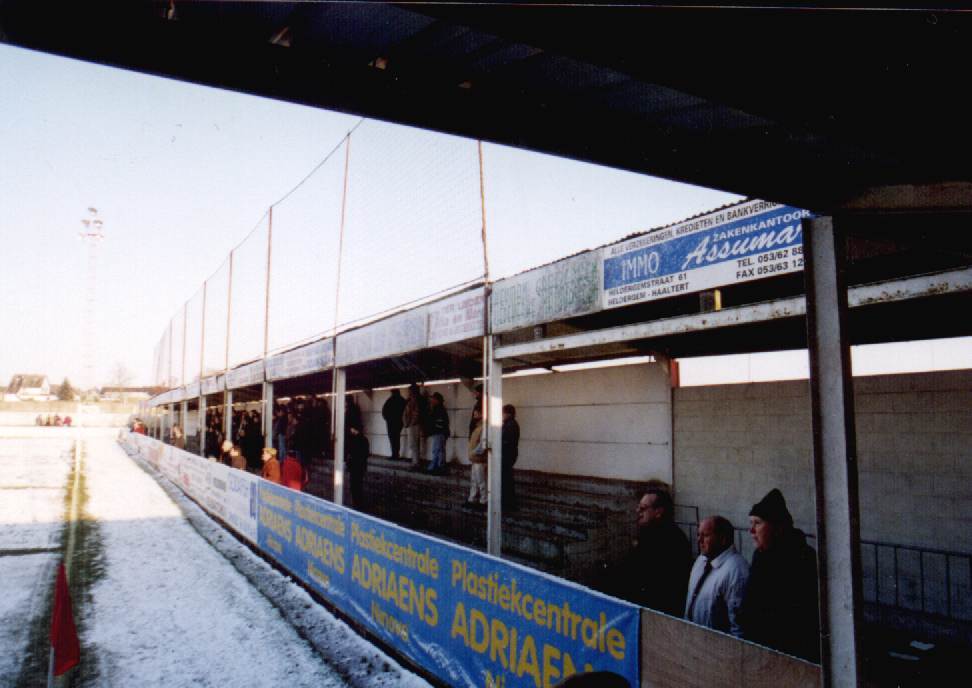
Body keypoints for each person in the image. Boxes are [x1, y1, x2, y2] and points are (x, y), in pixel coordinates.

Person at [739, 488, 820, 662]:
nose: (751, 531)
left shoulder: (802, 558)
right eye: (751, 523)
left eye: (758, 523)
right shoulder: (761, 555)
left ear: (778, 528)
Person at [615, 487, 691, 616]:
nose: (638, 511)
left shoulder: (673, 540)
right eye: (638, 507)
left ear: (658, 512)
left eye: (643, 508)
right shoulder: (647, 533)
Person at [684, 516, 749, 637]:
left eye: (706, 535)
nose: (699, 540)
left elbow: (738, 628)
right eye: (698, 534)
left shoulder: (737, 571)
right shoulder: (701, 560)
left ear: (723, 539)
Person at [465, 407, 487, 509]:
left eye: (476, 414)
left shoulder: (483, 428)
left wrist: (473, 452)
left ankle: (483, 500)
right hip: (475, 459)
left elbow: (482, 445)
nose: (474, 416)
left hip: (479, 459)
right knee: (474, 480)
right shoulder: (478, 428)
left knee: (481, 481)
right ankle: (472, 499)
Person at [501, 404, 520, 510]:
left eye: (503, 413)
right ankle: (508, 501)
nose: (502, 415)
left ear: (508, 413)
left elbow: (506, 441)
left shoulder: (510, 425)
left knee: (506, 479)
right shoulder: (510, 424)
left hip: (507, 455)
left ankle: (508, 502)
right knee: (506, 478)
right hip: (509, 454)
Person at [425, 392, 450, 474]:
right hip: (440, 432)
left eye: (433, 399)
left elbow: (438, 422)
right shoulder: (440, 408)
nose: (432, 400)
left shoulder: (438, 409)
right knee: (439, 450)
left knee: (437, 450)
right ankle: (438, 466)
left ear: (437, 400)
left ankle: (436, 467)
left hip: (439, 433)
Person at [347, 425, 370, 510]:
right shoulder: (364, 440)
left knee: (354, 486)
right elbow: (366, 453)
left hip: (355, 466)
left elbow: (350, 453)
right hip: (360, 466)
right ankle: (358, 503)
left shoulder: (354, 440)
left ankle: (356, 503)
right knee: (358, 486)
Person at [381, 388, 407, 460]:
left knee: (392, 439)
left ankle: (394, 454)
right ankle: (396, 454)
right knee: (397, 438)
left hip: (390, 423)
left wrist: (387, 418)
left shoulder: (390, 400)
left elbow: (384, 411)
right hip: (398, 423)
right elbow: (405, 412)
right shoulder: (402, 400)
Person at [403, 384, 424, 469]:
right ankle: (415, 462)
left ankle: (416, 463)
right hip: (413, 424)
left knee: (414, 444)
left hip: (413, 425)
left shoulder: (414, 400)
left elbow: (416, 414)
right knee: (414, 444)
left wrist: (409, 423)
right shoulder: (415, 400)